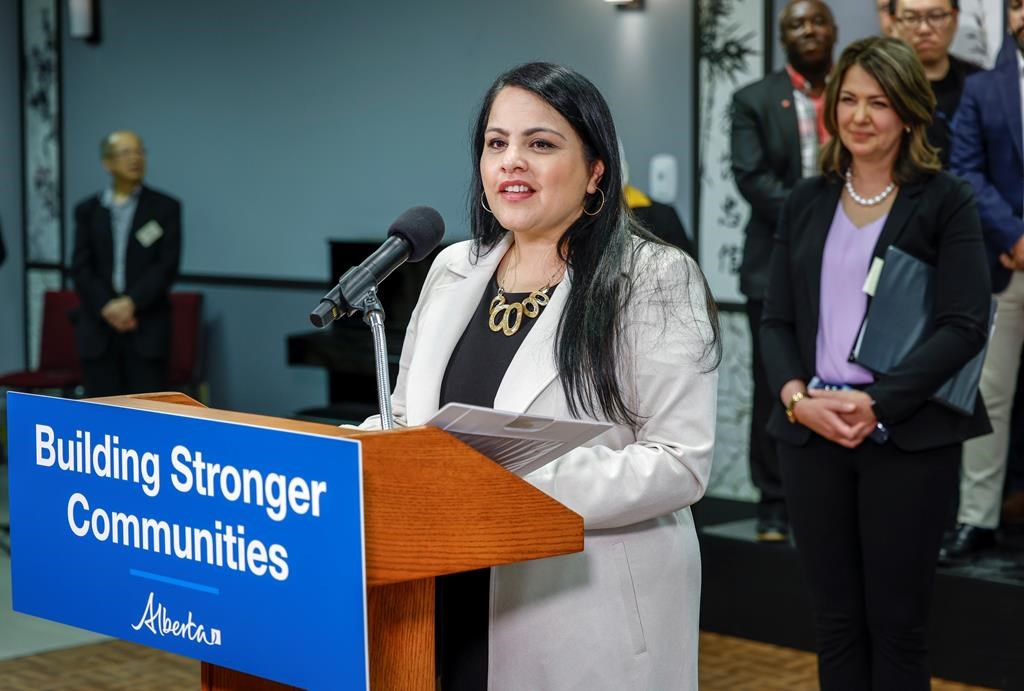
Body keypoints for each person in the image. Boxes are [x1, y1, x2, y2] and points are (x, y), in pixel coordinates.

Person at [360, 62, 720, 690]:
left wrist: (504, 489)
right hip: (441, 592)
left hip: (583, 608)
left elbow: (679, 462)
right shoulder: (451, 269)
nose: (512, 162)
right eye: (496, 143)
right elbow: (407, 422)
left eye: (541, 144)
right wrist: (347, 454)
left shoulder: (654, 277)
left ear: (596, 170)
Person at [761, 37, 991, 690]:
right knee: (834, 624)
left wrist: (879, 402)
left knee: (898, 626)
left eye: (879, 103)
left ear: (910, 114)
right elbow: (776, 320)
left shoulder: (945, 199)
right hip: (812, 433)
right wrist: (796, 399)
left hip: (905, 436)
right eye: (849, 100)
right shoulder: (806, 200)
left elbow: (964, 324)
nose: (860, 116)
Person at [730, 0, 837, 542]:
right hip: (774, 261)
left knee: (837, 376)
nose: (808, 30)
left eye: (817, 20)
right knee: (775, 381)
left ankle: (827, 496)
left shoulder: (854, 93)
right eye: (797, 24)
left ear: (833, 30)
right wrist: (822, 216)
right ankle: (773, 502)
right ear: (783, 36)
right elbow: (751, 178)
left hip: (849, 262)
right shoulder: (753, 99)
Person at [944, 0, 1024, 563]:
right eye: (1016, 3)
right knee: (990, 394)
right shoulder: (982, 89)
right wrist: (1015, 236)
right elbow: (966, 171)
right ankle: (978, 518)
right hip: (1008, 262)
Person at [71, 131, 181, 397]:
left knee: (147, 411)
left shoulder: (165, 207)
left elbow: (166, 266)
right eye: (126, 152)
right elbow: (81, 266)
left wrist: (130, 304)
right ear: (107, 163)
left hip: (146, 327)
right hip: (99, 328)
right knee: (101, 411)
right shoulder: (88, 210)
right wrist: (108, 307)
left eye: (140, 151)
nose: (135, 158)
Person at [890, 0, 981, 165]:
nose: (924, 29)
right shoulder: (883, 87)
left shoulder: (981, 84)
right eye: (911, 18)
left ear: (955, 18)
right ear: (894, 22)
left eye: (936, 16)